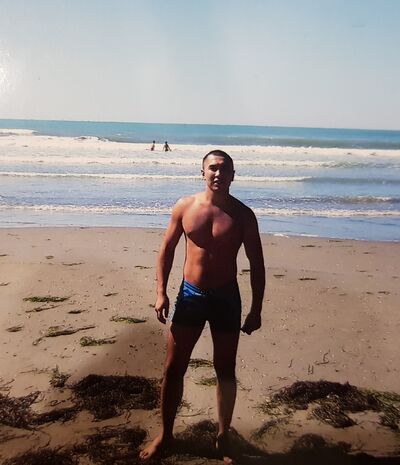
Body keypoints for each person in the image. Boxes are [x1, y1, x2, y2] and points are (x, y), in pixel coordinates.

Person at [139, 150, 265, 464]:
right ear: (202, 172)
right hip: (191, 295)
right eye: (213, 168)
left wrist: (256, 309)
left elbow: (257, 263)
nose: (218, 174)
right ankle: (166, 435)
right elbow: (166, 249)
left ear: (233, 175)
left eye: (225, 169)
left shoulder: (243, 215)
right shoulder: (185, 207)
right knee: (173, 367)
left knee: (225, 369)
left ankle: (223, 437)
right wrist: (161, 293)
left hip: (226, 297)